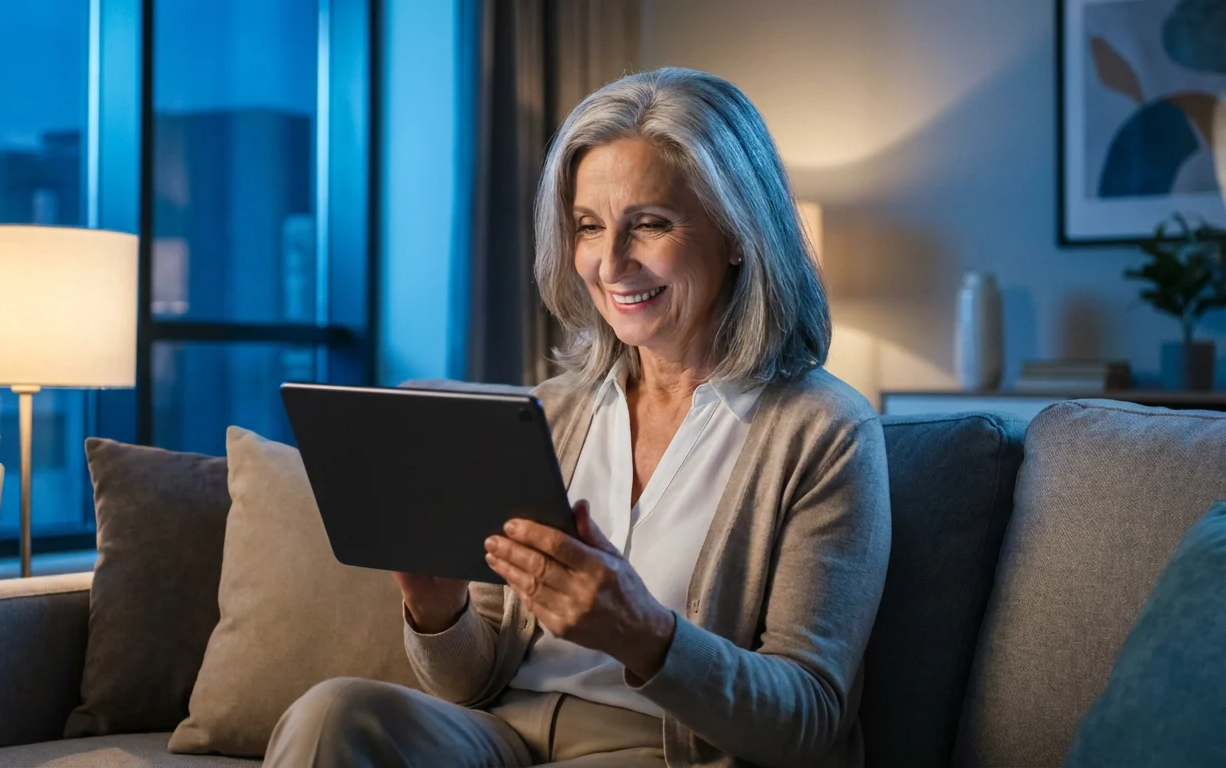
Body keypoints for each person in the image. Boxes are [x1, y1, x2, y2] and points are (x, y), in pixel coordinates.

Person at [266, 66, 891, 767]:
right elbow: (469, 684)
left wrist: (643, 633)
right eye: (589, 227)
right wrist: (436, 610)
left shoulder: (824, 432)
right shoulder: (552, 412)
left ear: (738, 233)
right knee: (334, 714)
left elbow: (808, 720)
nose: (611, 263)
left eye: (649, 224)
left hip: (662, 750)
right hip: (506, 735)